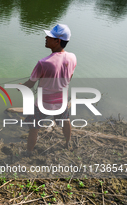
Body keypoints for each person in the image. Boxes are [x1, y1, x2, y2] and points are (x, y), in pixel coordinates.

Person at [22, 24, 77, 154]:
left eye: (50, 37)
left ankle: (29, 152)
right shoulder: (73, 57)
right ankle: (67, 143)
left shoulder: (43, 63)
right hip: (61, 100)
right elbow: (69, 77)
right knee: (65, 120)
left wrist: (21, 87)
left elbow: (30, 84)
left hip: (43, 103)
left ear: (57, 41)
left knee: (34, 128)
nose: (46, 37)